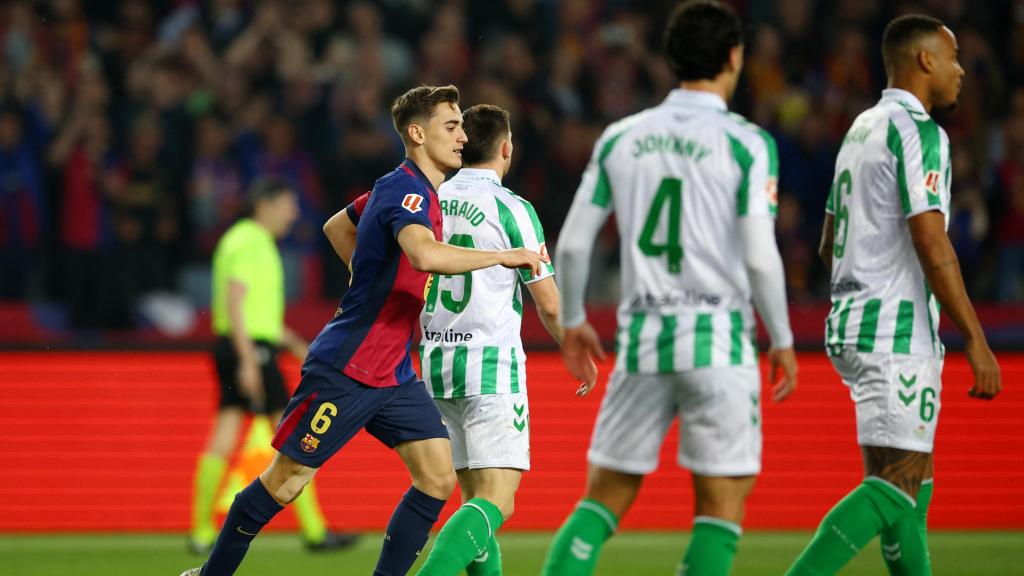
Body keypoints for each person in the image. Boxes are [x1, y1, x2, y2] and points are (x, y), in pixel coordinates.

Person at [180, 84, 545, 576]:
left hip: (394, 370)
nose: (463, 137)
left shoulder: (407, 187)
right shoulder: (408, 191)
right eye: (451, 126)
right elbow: (424, 254)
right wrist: (504, 255)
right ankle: (210, 573)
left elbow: (337, 227)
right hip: (349, 365)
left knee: (437, 478)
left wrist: (372, 274)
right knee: (286, 481)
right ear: (417, 134)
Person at [541, 2, 798, 574]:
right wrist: (780, 335)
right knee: (720, 509)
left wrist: (574, 319)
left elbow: (575, 244)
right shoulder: (748, 143)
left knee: (600, 502)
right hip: (719, 341)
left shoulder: (621, 138)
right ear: (734, 57)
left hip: (643, 340)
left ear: (670, 58)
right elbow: (760, 254)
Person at [787, 15, 1001, 575]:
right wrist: (976, 340)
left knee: (911, 487)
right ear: (925, 60)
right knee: (895, 488)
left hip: (854, 321)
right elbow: (932, 244)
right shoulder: (920, 133)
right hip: (895, 331)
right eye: (952, 58)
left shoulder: (860, 129)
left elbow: (829, 240)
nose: (960, 71)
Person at [413, 104, 597, 576]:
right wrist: (573, 349)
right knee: (497, 501)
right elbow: (549, 303)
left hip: (435, 362)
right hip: (490, 365)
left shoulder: (428, 196)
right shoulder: (513, 208)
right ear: (506, 148)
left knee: (473, 500)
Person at [189, 177, 358, 555]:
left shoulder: (240, 239)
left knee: (226, 431)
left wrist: (296, 345)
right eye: (287, 205)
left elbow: (251, 312)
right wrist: (250, 360)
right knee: (297, 437)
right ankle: (315, 531)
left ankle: (200, 530)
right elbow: (236, 303)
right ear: (265, 204)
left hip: (236, 346)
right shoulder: (252, 241)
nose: (293, 213)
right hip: (250, 350)